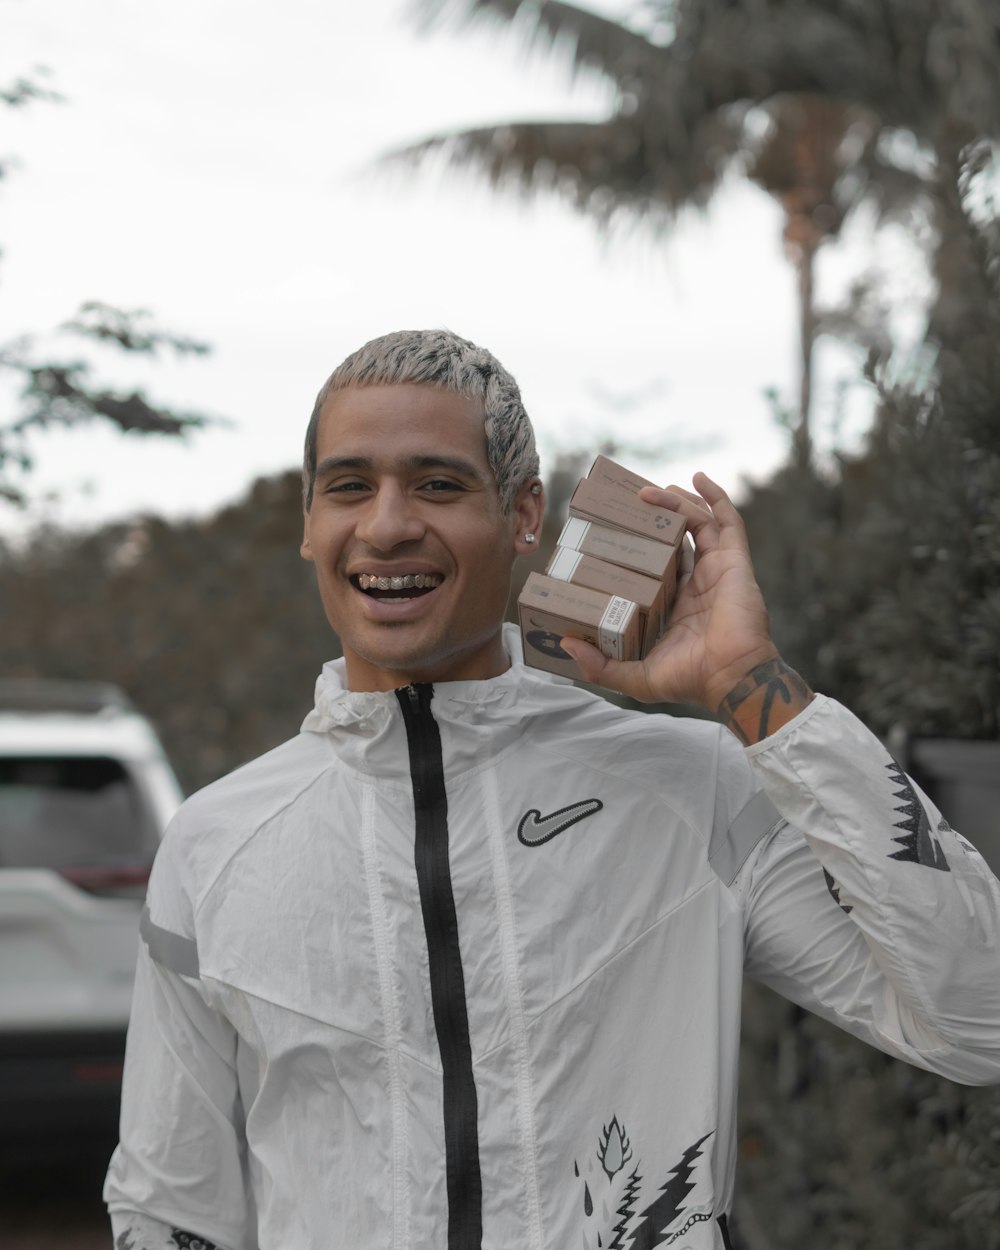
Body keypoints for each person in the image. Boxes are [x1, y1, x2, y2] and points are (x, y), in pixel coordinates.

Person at [105, 329, 1000, 1250]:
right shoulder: (215, 844)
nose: (385, 525)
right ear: (309, 524)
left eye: (438, 484)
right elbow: (173, 1209)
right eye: (348, 487)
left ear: (525, 515)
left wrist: (753, 687)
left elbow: (978, 1016)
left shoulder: (692, 789)